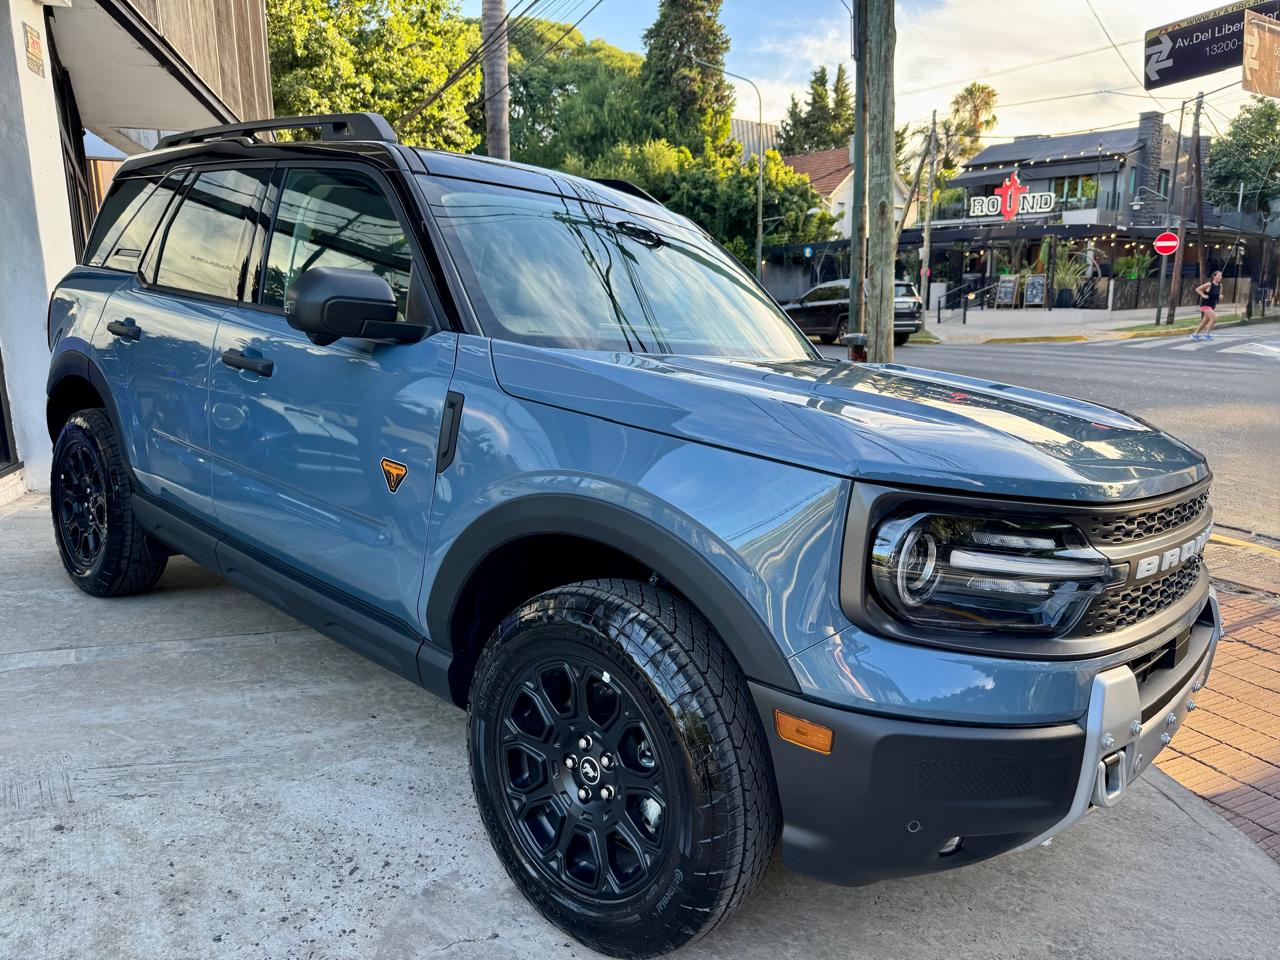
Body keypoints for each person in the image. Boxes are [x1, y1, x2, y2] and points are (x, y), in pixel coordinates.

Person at [1192, 270, 1223, 340]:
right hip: (1205, 305)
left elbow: (1218, 295)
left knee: (1204, 321)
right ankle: (1206, 334)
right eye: (1219, 275)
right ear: (1214, 276)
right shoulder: (1209, 284)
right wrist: (1203, 295)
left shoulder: (1220, 286)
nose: (1220, 277)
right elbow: (1197, 289)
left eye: (1221, 276)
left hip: (1212, 305)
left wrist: (1220, 296)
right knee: (1214, 318)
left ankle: (1195, 334)